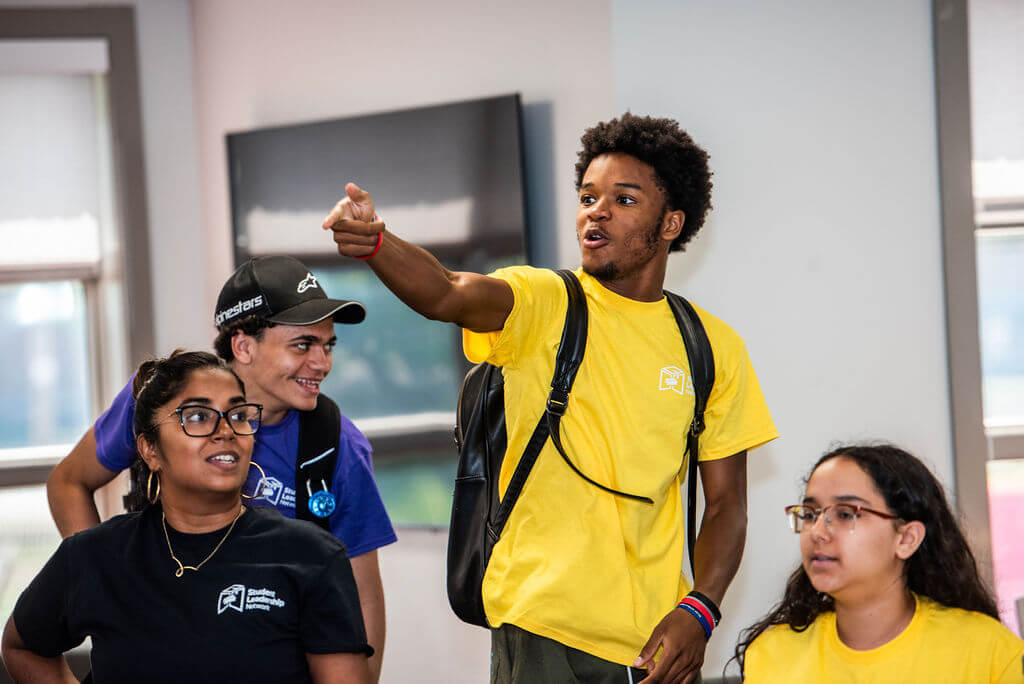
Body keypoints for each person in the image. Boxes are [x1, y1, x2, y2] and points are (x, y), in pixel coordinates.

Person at [323, 113, 778, 683]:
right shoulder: (546, 302)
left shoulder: (711, 346)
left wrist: (701, 608)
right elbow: (446, 291)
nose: (597, 210)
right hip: (541, 626)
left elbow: (728, 505)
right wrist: (378, 244)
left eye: (625, 199)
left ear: (671, 224)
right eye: (588, 196)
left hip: (655, 644)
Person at [45, 256, 395, 682]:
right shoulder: (160, 399)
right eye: (302, 346)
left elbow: (362, 592)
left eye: (328, 346)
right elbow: (69, 482)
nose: (322, 363)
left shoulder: (337, 444)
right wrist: (106, 587)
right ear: (244, 346)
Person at [2, 351, 372, 683]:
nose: (225, 430)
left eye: (238, 414)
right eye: (198, 416)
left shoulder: (311, 557)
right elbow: (22, 647)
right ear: (150, 450)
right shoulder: (94, 555)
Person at [734, 444, 1024, 683]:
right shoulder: (772, 655)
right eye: (810, 514)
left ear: (907, 538)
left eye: (846, 514)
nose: (818, 532)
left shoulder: (990, 654)